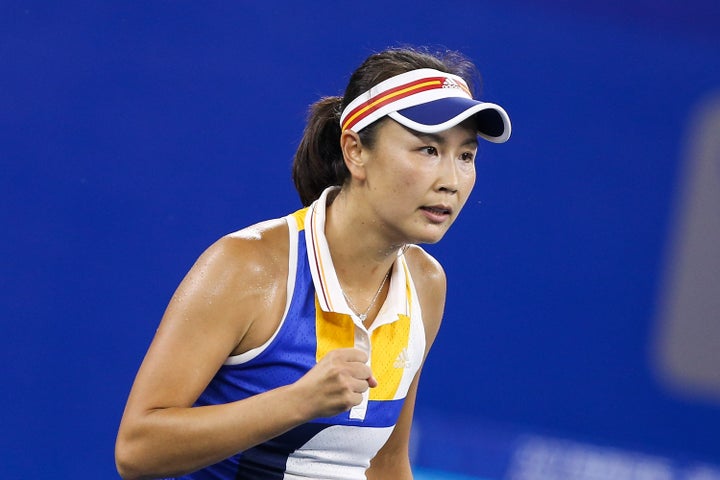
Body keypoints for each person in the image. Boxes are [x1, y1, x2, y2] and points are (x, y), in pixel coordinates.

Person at [115, 46, 511, 480]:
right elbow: (137, 449)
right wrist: (297, 401)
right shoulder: (250, 267)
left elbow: (385, 466)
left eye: (466, 156)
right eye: (427, 150)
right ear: (355, 150)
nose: (451, 181)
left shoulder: (426, 283)